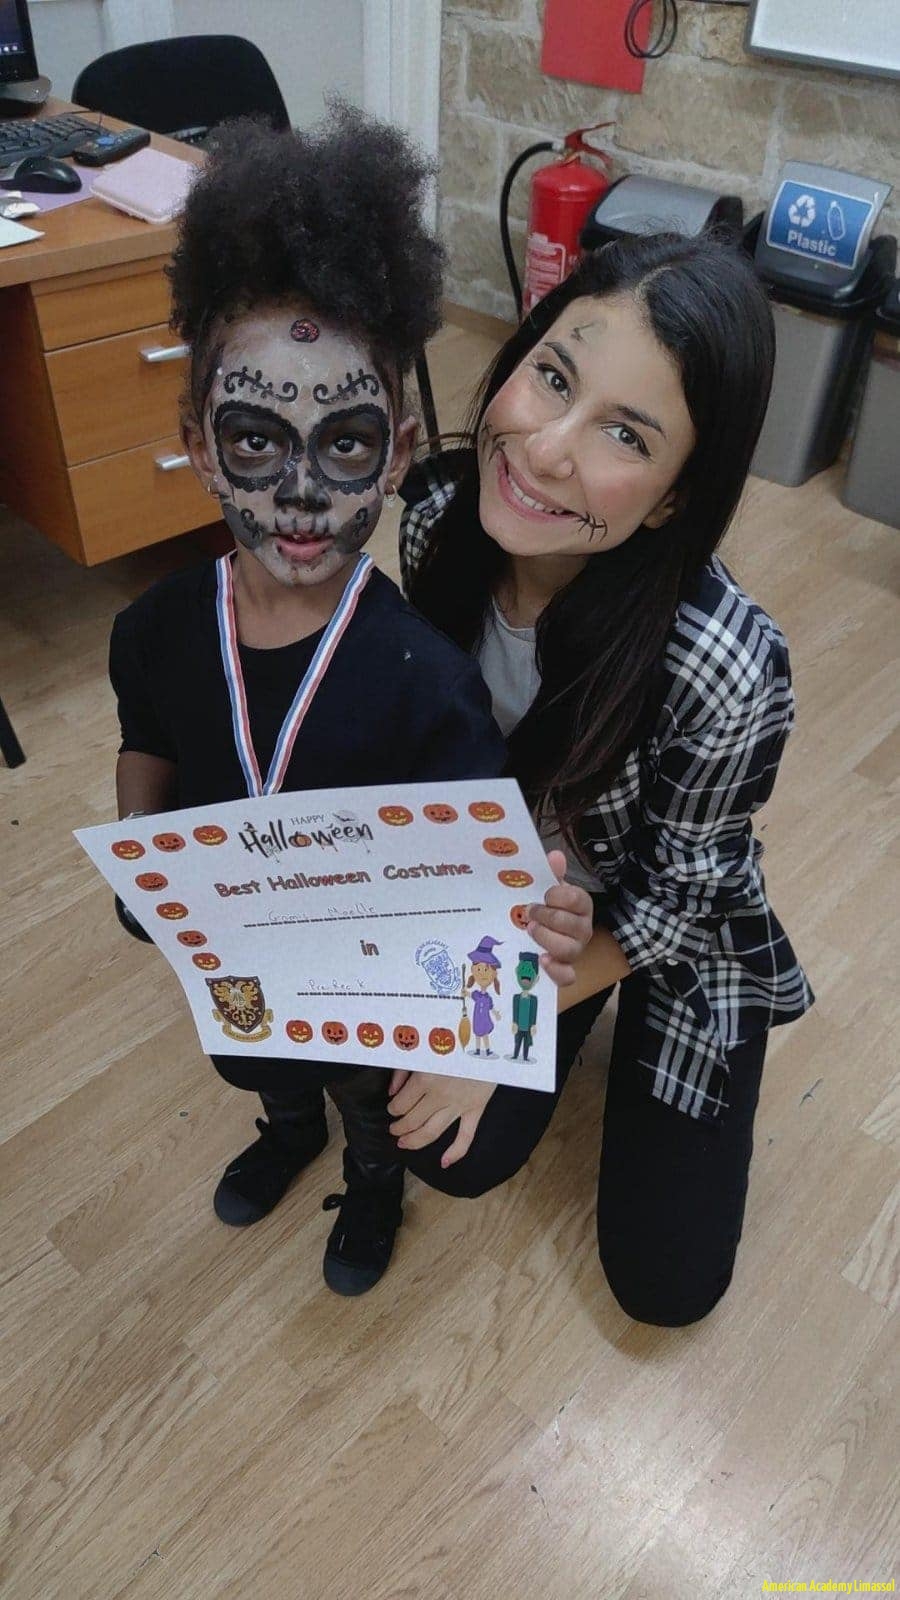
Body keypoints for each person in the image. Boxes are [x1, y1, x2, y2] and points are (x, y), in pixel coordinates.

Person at [109, 108, 592, 1298]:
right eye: (255, 441)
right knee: (257, 1063)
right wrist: (142, 862)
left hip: (366, 980)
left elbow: (488, 875)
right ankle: (286, 1132)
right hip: (236, 955)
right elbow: (148, 748)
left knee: (363, 1094)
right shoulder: (155, 630)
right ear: (196, 441)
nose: (300, 494)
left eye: (346, 443)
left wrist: (537, 924)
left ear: (401, 451)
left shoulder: (428, 679)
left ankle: (370, 1178)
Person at [389, 232, 815, 1326]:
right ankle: (567, 1012)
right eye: (553, 376)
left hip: (659, 914)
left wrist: (498, 1027)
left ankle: (633, 1023)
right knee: (445, 1150)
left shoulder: (723, 665)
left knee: (666, 1283)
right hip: (522, 893)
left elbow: (683, 896)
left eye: (625, 434)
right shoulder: (438, 518)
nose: (543, 450)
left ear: (673, 498)